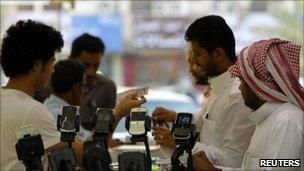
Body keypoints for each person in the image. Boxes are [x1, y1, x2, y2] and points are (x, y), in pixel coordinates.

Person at [152, 15, 255, 167]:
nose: (195, 61)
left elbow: (234, 161)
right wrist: (173, 117)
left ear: (218, 54)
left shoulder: (238, 95)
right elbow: (201, 122)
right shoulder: (216, 90)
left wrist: (182, 144)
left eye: (198, 54)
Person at [193, 38, 304, 170]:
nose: (240, 88)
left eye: (242, 81)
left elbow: (281, 166)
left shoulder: (286, 121)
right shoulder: (268, 119)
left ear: (258, 84)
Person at [43, 60, 88, 137]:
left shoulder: (51, 106)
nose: (85, 91)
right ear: (75, 88)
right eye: (83, 86)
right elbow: (83, 143)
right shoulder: (60, 114)